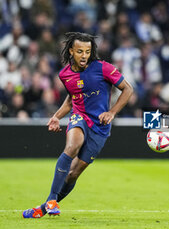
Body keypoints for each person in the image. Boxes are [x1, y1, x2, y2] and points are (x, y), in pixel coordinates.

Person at [22, 32, 133, 218]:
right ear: (71, 51)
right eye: (80, 51)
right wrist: (57, 116)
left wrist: (111, 112)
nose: (84, 55)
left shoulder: (103, 68)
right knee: (72, 146)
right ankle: (51, 199)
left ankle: (43, 208)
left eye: (88, 51)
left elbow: (128, 89)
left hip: (100, 126)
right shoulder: (64, 74)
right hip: (79, 116)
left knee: (73, 174)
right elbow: (71, 99)